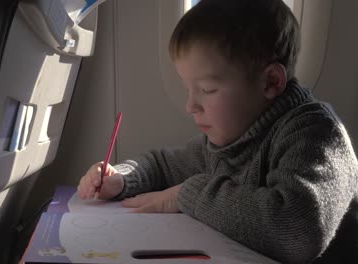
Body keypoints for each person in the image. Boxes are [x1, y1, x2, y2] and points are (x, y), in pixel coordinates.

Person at [77, 0, 358, 262]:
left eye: (208, 90)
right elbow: (161, 165)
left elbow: (298, 232)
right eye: (188, 89)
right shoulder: (230, 139)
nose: (190, 105)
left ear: (271, 82)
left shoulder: (315, 133)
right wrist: (122, 179)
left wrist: (186, 194)